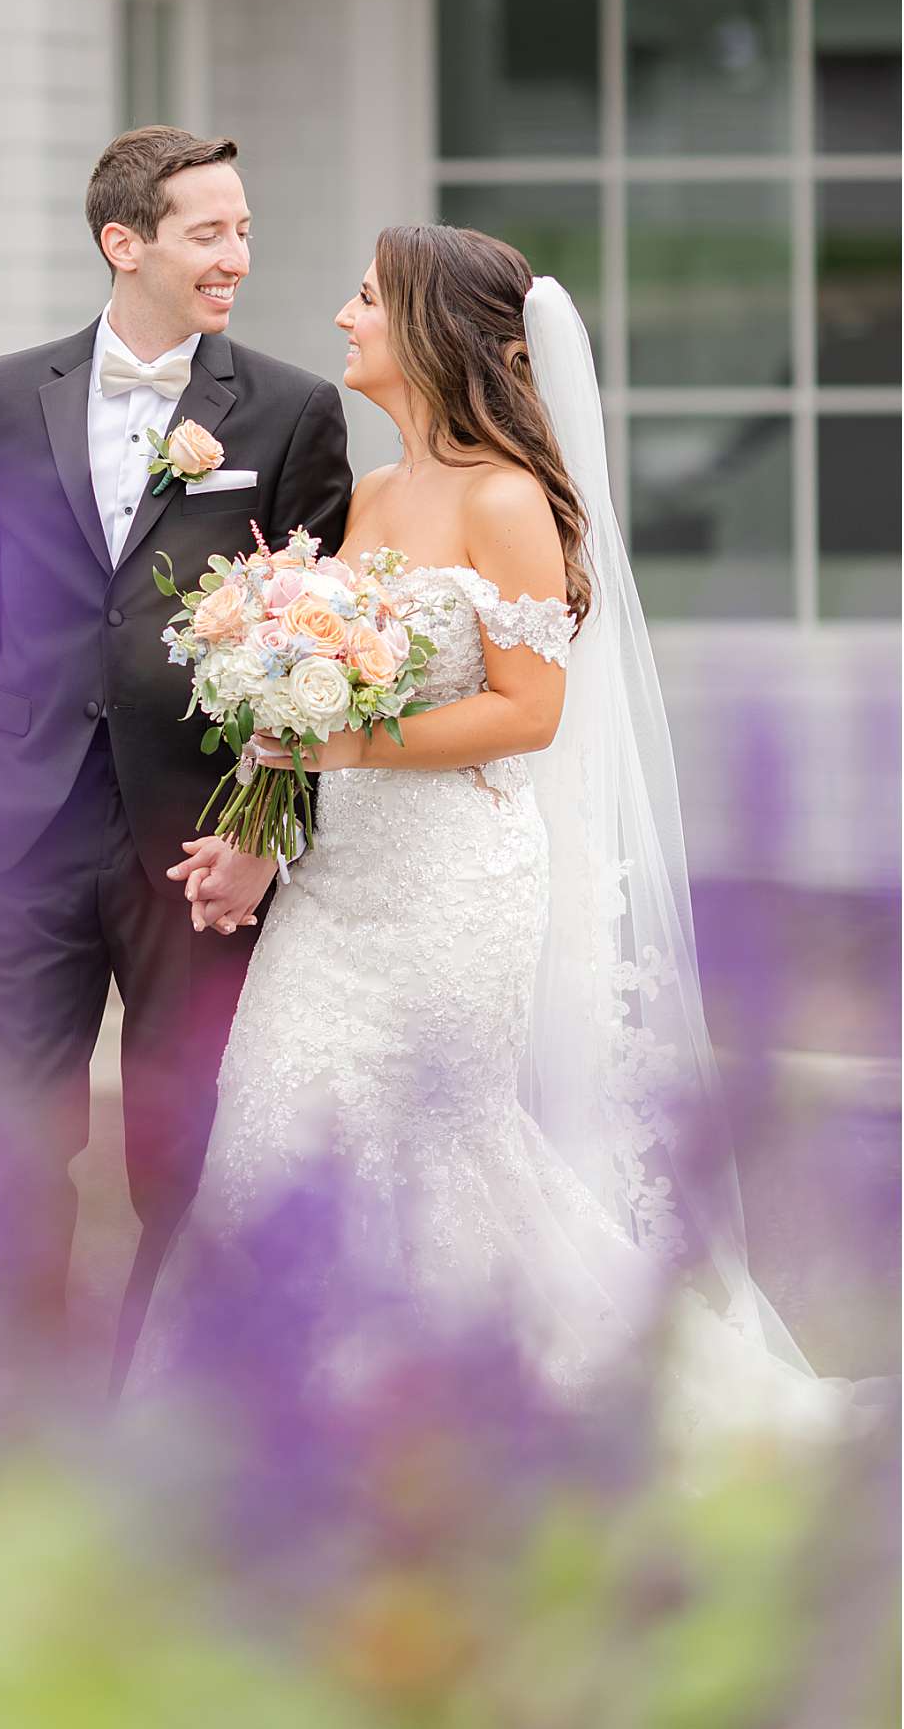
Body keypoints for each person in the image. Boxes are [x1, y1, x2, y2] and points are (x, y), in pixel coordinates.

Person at [144, 223, 875, 1443]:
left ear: (429, 330)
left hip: (451, 888)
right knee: (270, 1120)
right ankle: (271, 1422)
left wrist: (340, 745)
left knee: (429, 1146)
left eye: (364, 297)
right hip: (334, 891)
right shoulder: (371, 494)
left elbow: (526, 713)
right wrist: (255, 844)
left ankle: (466, 1427)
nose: (341, 318)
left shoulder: (506, 499)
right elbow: (311, 698)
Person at [0, 127, 351, 1386]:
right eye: (208, 232)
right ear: (126, 244)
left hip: (198, 832)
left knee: (185, 1124)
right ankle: (20, 1379)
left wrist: (264, 825)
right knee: (10, 1109)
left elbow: (316, 641)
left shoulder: (288, 409)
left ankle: (153, 1384)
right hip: (22, 816)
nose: (237, 256)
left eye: (243, 230)